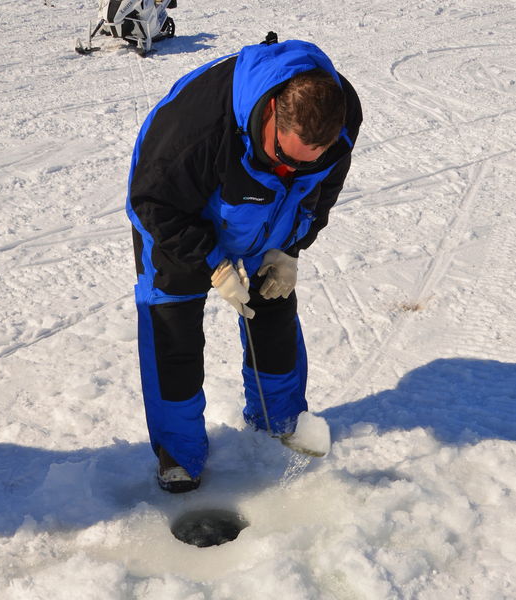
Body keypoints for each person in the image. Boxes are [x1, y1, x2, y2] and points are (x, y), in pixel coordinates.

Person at [126, 34, 362, 493]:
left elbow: (322, 190)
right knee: (173, 330)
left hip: (268, 218)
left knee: (271, 314)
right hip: (178, 218)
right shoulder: (193, 129)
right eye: (283, 157)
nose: (290, 170)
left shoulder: (342, 116)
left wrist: (291, 247)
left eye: (305, 163)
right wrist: (213, 263)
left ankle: (279, 422)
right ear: (272, 111)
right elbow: (150, 202)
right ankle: (179, 453)